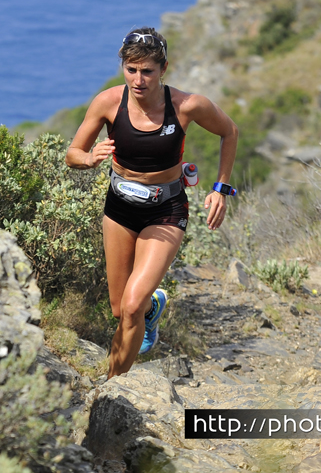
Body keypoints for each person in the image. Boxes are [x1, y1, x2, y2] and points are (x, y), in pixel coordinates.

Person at [65, 27, 239, 378]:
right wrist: (89, 158)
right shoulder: (108, 102)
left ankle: (112, 388)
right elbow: (73, 153)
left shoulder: (187, 106)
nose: (139, 79)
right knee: (120, 309)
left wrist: (221, 187)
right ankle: (151, 309)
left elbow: (229, 131)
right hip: (120, 208)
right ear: (123, 67)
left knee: (130, 307)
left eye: (147, 71)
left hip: (166, 210)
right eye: (131, 70)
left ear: (164, 69)